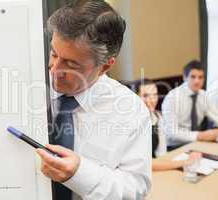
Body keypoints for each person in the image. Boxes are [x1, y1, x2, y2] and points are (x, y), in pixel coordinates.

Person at [36, 1, 152, 200]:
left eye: (71, 64)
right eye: (54, 53)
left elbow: (135, 188)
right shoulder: (32, 85)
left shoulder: (131, 111)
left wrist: (80, 174)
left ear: (105, 66)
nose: (54, 70)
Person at [161, 60, 218, 150]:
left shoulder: (203, 95)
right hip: (174, 146)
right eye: (193, 77)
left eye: (200, 77)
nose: (197, 81)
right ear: (184, 77)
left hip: (196, 143)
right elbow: (171, 133)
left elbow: (217, 117)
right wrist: (200, 135)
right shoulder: (172, 98)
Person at [136, 79, 201, 171]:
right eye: (146, 95)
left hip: (154, 171)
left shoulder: (157, 117)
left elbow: (161, 154)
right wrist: (185, 162)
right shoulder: (132, 123)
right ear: (136, 97)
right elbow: (145, 163)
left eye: (155, 94)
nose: (152, 100)